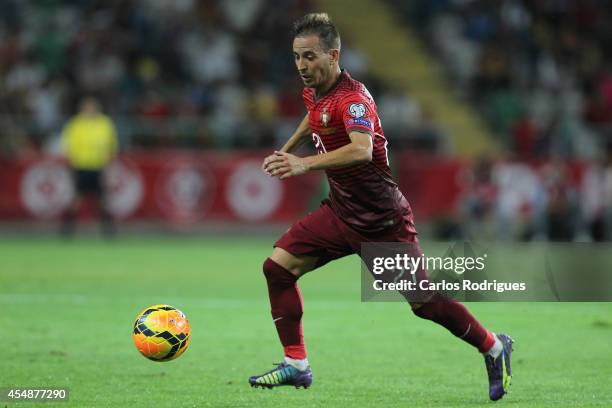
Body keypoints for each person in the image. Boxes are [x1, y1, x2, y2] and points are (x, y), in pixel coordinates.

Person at [248, 13, 514, 401]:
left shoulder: (353, 99)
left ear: (334, 54)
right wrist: (286, 150)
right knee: (277, 268)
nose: (302, 66)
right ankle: (297, 365)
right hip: (340, 213)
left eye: (309, 57)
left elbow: (361, 149)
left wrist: (303, 164)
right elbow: (314, 118)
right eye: (296, 57)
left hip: (380, 221)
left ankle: (493, 346)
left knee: (423, 303)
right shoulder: (316, 90)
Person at [60, 97, 118, 237]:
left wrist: (109, 162)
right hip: (80, 166)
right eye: (87, 108)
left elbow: (112, 145)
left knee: (101, 200)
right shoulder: (75, 124)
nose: (90, 110)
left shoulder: (105, 123)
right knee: (76, 199)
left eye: (92, 108)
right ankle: (67, 229)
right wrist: (70, 162)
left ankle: (108, 231)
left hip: (98, 167)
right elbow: (67, 145)